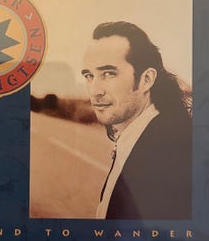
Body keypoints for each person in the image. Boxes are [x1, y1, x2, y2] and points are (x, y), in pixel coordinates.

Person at [81, 22, 192, 220]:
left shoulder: (168, 154)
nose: (95, 90)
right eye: (89, 76)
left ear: (146, 79)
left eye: (109, 74)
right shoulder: (139, 133)